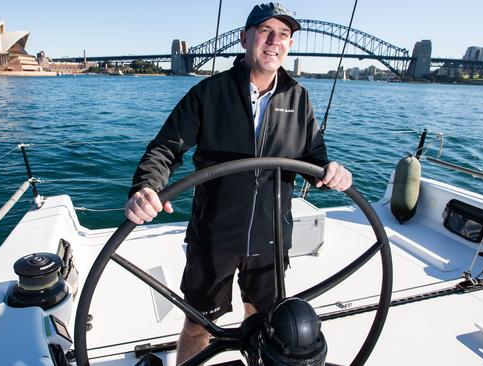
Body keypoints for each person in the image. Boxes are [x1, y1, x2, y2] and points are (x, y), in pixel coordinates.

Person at [125, 2, 352, 363]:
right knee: (199, 324)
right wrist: (146, 187)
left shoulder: (299, 96)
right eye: (266, 31)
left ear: (289, 44)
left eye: (284, 35)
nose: (275, 41)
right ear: (245, 37)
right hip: (214, 235)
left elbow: (314, 157)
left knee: (263, 323)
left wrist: (332, 170)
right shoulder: (209, 92)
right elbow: (166, 148)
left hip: (271, 237)